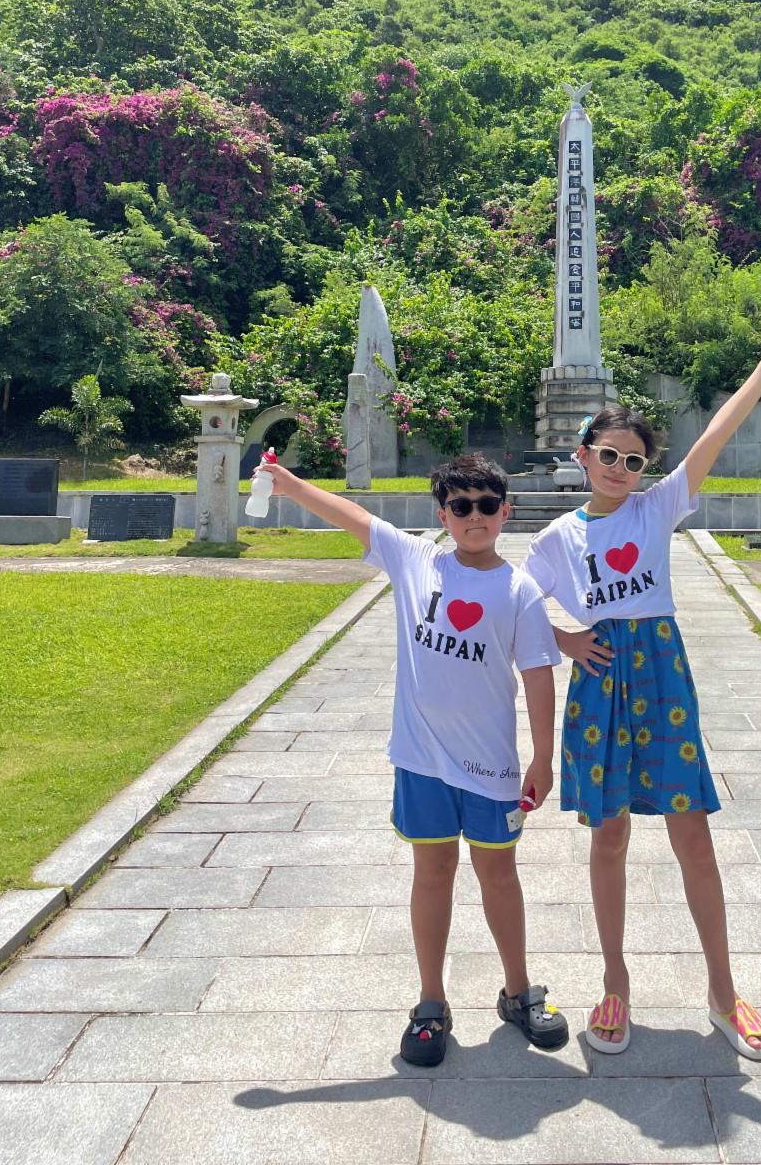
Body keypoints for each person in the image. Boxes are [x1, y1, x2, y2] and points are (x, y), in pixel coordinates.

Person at [523, 339, 761, 1059]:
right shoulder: (556, 539)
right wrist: (565, 641)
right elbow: (511, 610)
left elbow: (714, 436)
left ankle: (723, 992)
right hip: (600, 682)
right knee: (609, 835)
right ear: (583, 455)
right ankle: (615, 983)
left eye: (633, 461)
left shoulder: (656, 509)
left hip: (662, 676)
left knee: (693, 833)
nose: (620, 469)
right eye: (608, 455)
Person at [266, 452, 569, 1067]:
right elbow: (352, 515)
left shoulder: (519, 590)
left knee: (499, 876)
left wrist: (543, 758)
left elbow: (539, 675)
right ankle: (431, 1000)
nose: (475, 516)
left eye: (487, 505)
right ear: (442, 516)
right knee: (432, 873)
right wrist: (290, 484)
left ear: (506, 512)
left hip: (491, 768)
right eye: (461, 506)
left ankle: (518, 991)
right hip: (422, 762)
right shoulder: (416, 561)